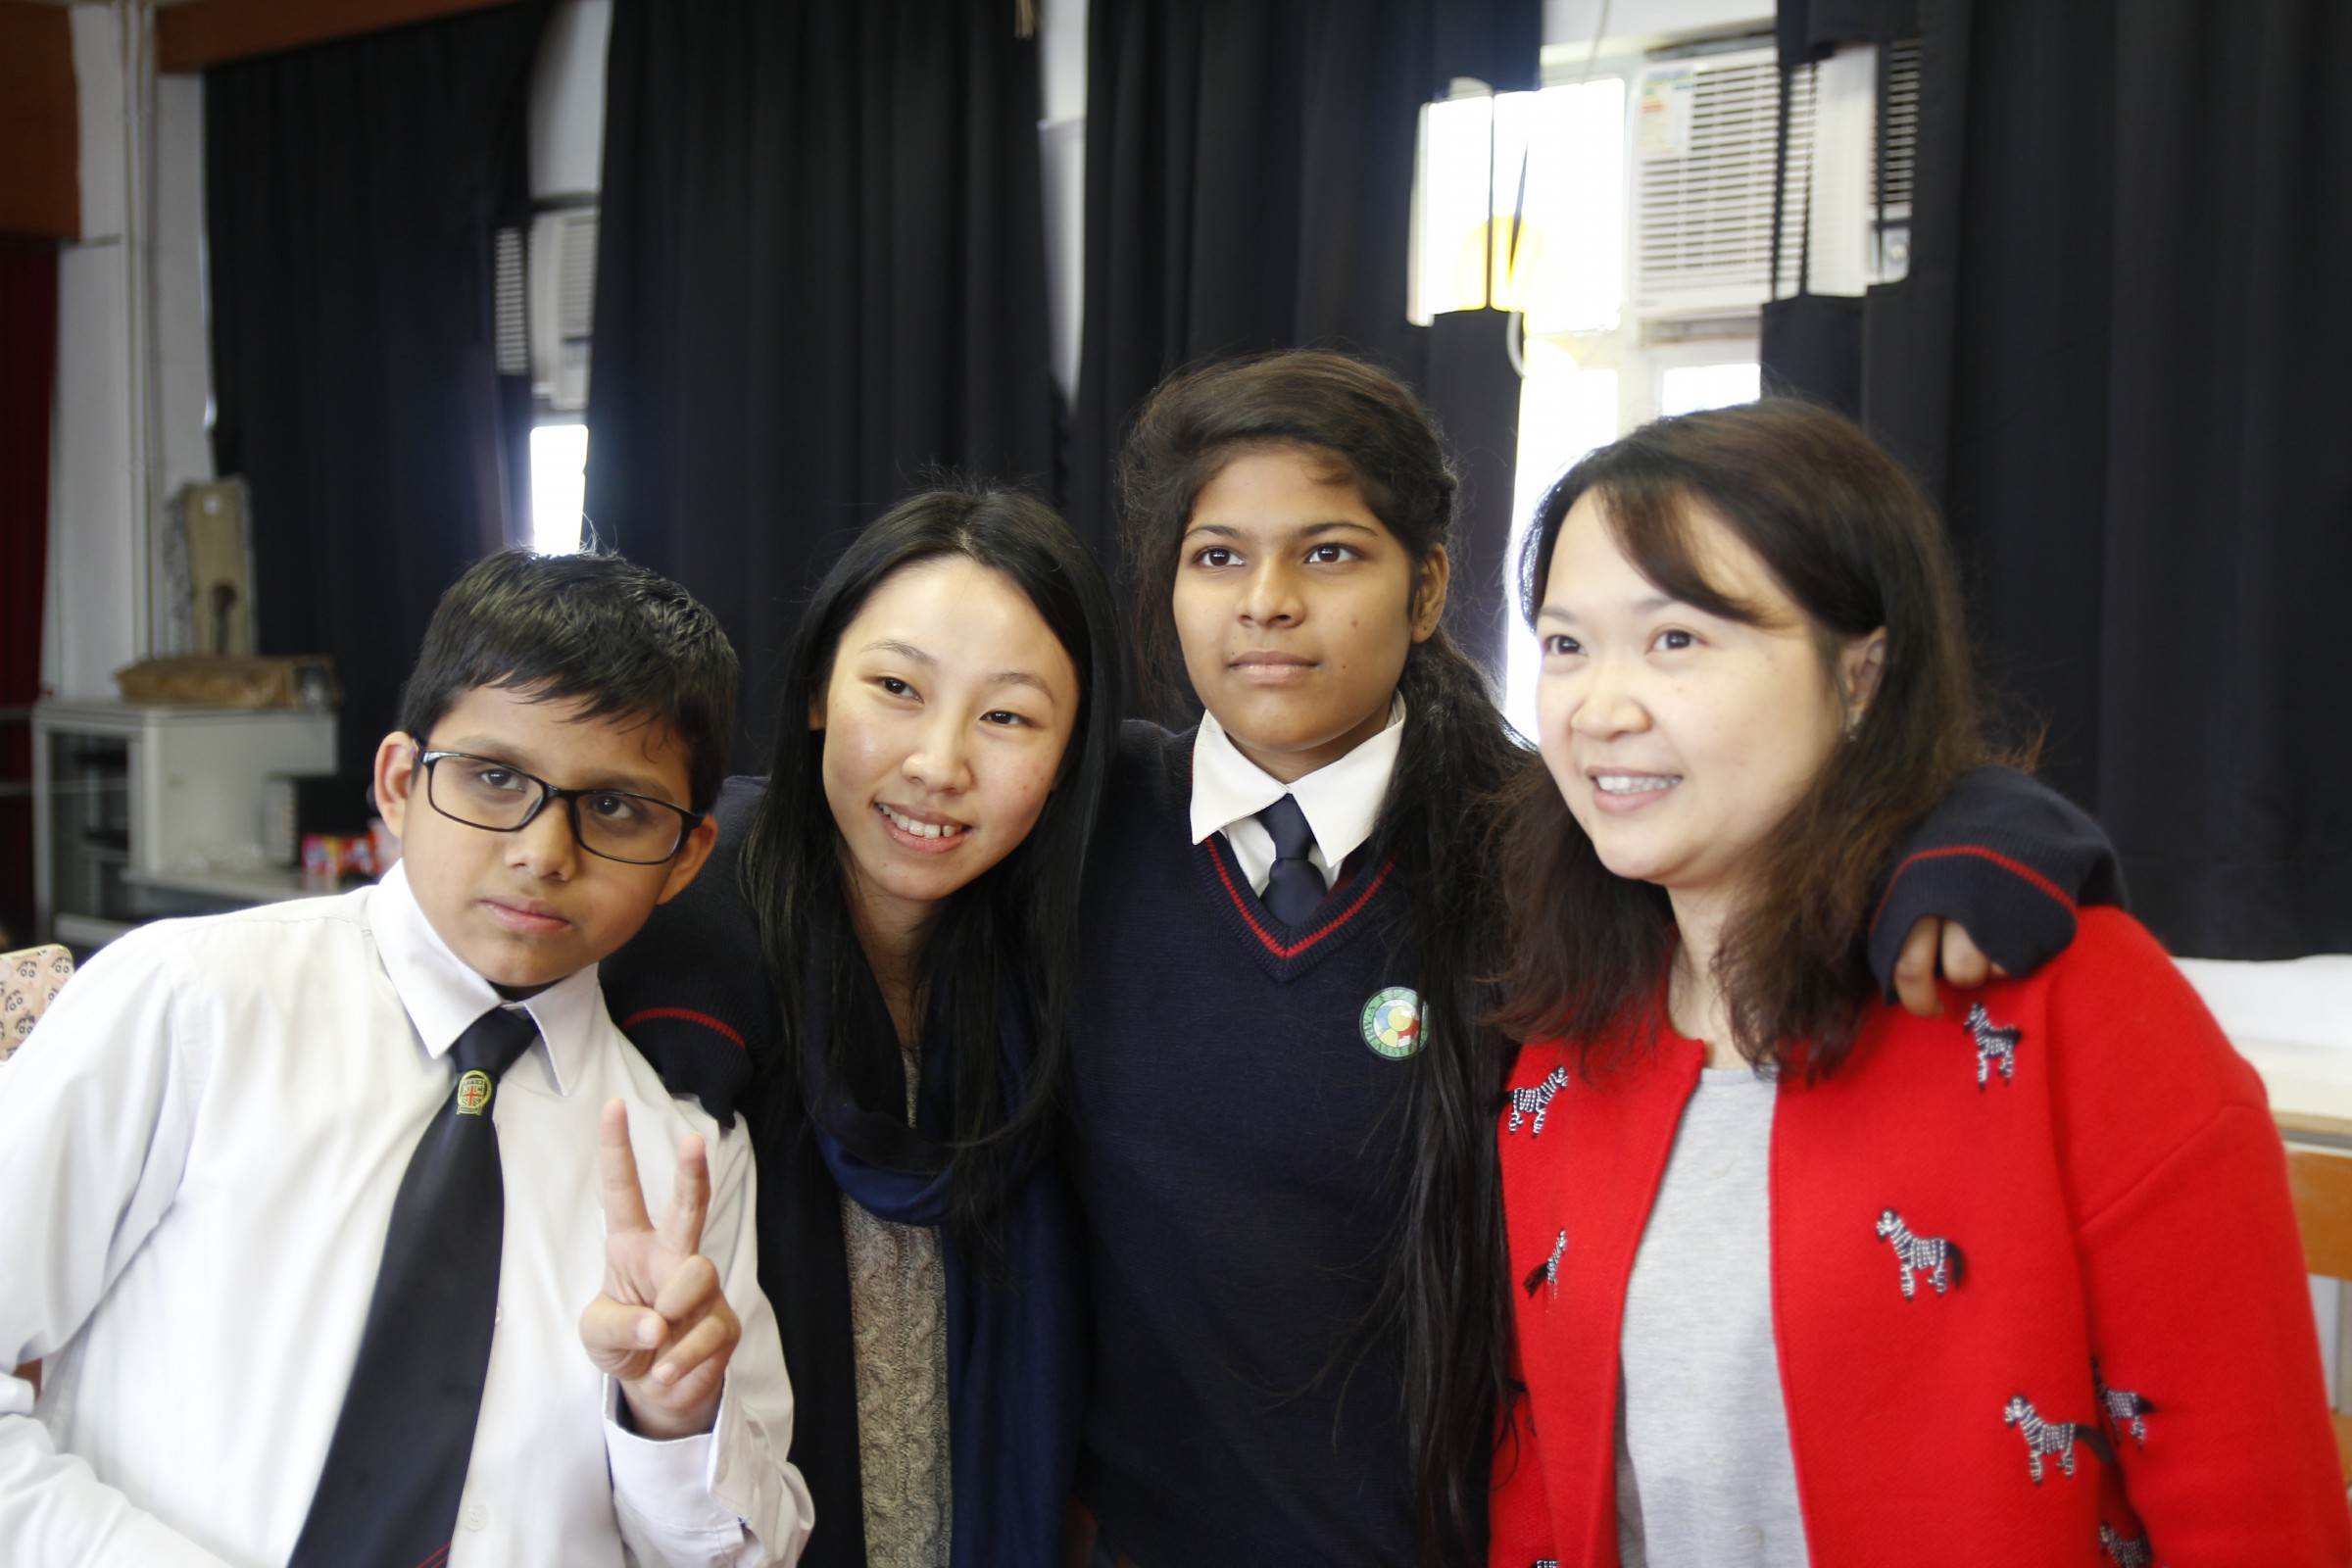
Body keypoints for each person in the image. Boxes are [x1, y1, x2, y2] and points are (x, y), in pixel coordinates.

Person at [1061, 351, 2123, 1568]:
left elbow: (1781, 810)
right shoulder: (1079, 825)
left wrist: (1988, 825)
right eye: (1217, 556)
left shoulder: (1557, 842)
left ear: (1428, 589)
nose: (1267, 601)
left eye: (1331, 551)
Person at [1490, 399, 2348, 1564]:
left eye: (1677, 639)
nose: (1600, 708)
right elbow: (1542, 1475)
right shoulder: (1565, 1037)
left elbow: (2253, 1510)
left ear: (1862, 675)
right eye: (1564, 645)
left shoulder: (2069, 1001)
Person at [0, 551, 814, 1567]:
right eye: (495, 778)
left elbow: (748, 1553)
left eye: (615, 807)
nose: (544, 852)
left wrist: (673, 1420)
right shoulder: (189, 1001)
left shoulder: (682, 1157)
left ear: (686, 855)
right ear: (399, 783)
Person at [602, 484, 1121, 1568]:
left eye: (1008, 717)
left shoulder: (1076, 971)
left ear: (1072, 752)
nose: (939, 763)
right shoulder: (674, 937)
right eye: (896, 687)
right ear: (816, 693)